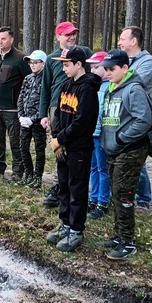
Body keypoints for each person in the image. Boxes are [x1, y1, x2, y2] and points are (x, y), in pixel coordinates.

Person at [98, 49, 152, 261]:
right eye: (106, 69)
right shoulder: (113, 88)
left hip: (130, 150)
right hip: (114, 149)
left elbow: (143, 120)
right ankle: (119, 235)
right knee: (116, 192)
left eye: (112, 69)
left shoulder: (133, 90)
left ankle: (127, 242)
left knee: (124, 193)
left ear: (124, 68)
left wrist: (121, 138)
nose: (108, 73)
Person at [46, 46, 101, 252]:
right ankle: (65, 224)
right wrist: (56, 137)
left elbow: (82, 122)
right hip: (63, 147)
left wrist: (60, 139)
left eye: (67, 65)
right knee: (64, 187)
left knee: (77, 189)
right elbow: (58, 114)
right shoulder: (66, 85)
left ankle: (76, 230)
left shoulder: (87, 89)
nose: (64, 69)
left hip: (78, 148)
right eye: (62, 65)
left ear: (79, 64)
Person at [39, 22, 92, 207]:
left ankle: (76, 189)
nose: (71, 37)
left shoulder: (84, 53)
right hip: (56, 109)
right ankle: (59, 186)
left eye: (74, 34)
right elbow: (45, 88)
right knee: (59, 147)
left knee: (75, 146)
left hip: (77, 107)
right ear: (58, 36)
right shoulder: (52, 59)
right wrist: (43, 114)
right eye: (67, 34)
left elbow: (94, 74)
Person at [118, 26, 152, 212]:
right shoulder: (126, 60)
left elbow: (134, 81)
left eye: (122, 39)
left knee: (137, 158)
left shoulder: (148, 62)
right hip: (120, 114)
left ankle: (143, 199)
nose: (119, 42)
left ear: (133, 41)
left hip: (137, 116)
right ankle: (126, 195)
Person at [0, 26, 30, 181]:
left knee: (15, 141)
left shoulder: (20, 58)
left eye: (3, 38)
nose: (0, 41)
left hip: (12, 109)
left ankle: (18, 171)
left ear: (11, 40)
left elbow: (28, 82)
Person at [17, 50, 47, 189]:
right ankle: (28, 174)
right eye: (31, 62)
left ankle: (37, 177)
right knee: (23, 147)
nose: (32, 65)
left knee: (39, 149)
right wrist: (21, 116)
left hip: (38, 122)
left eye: (36, 62)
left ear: (43, 63)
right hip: (25, 120)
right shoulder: (28, 78)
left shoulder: (46, 79)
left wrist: (34, 119)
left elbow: (45, 103)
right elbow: (21, 97)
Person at [86, 52, 111, 219]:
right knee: (92, 167)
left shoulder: (110, 86)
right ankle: (93, 198)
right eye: (91, 67)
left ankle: (103, 201)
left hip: (102, 134)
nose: (93, 70)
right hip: (90, 132)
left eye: (97, 67)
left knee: (103, 168)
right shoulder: (92, 85)